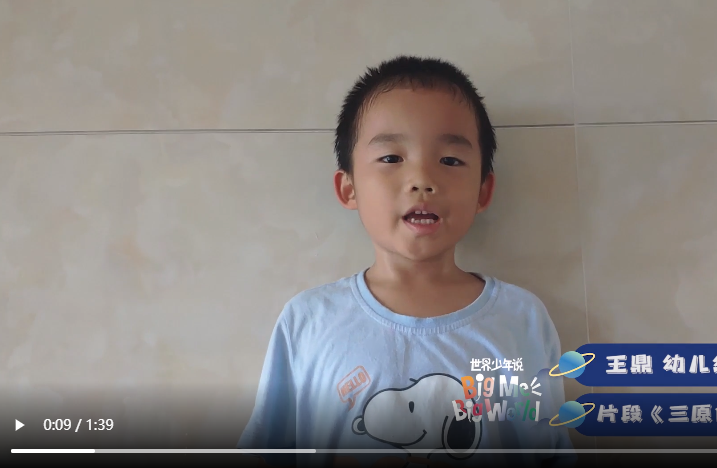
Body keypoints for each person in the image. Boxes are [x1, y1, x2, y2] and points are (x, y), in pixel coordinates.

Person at [238, 55, 575, 468]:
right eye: (391, 158)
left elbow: (548, 453)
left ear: (483, 191)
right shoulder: (309, 321)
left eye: (450, 160)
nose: (422, 181)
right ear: (349, 189)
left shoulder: (521, 319)